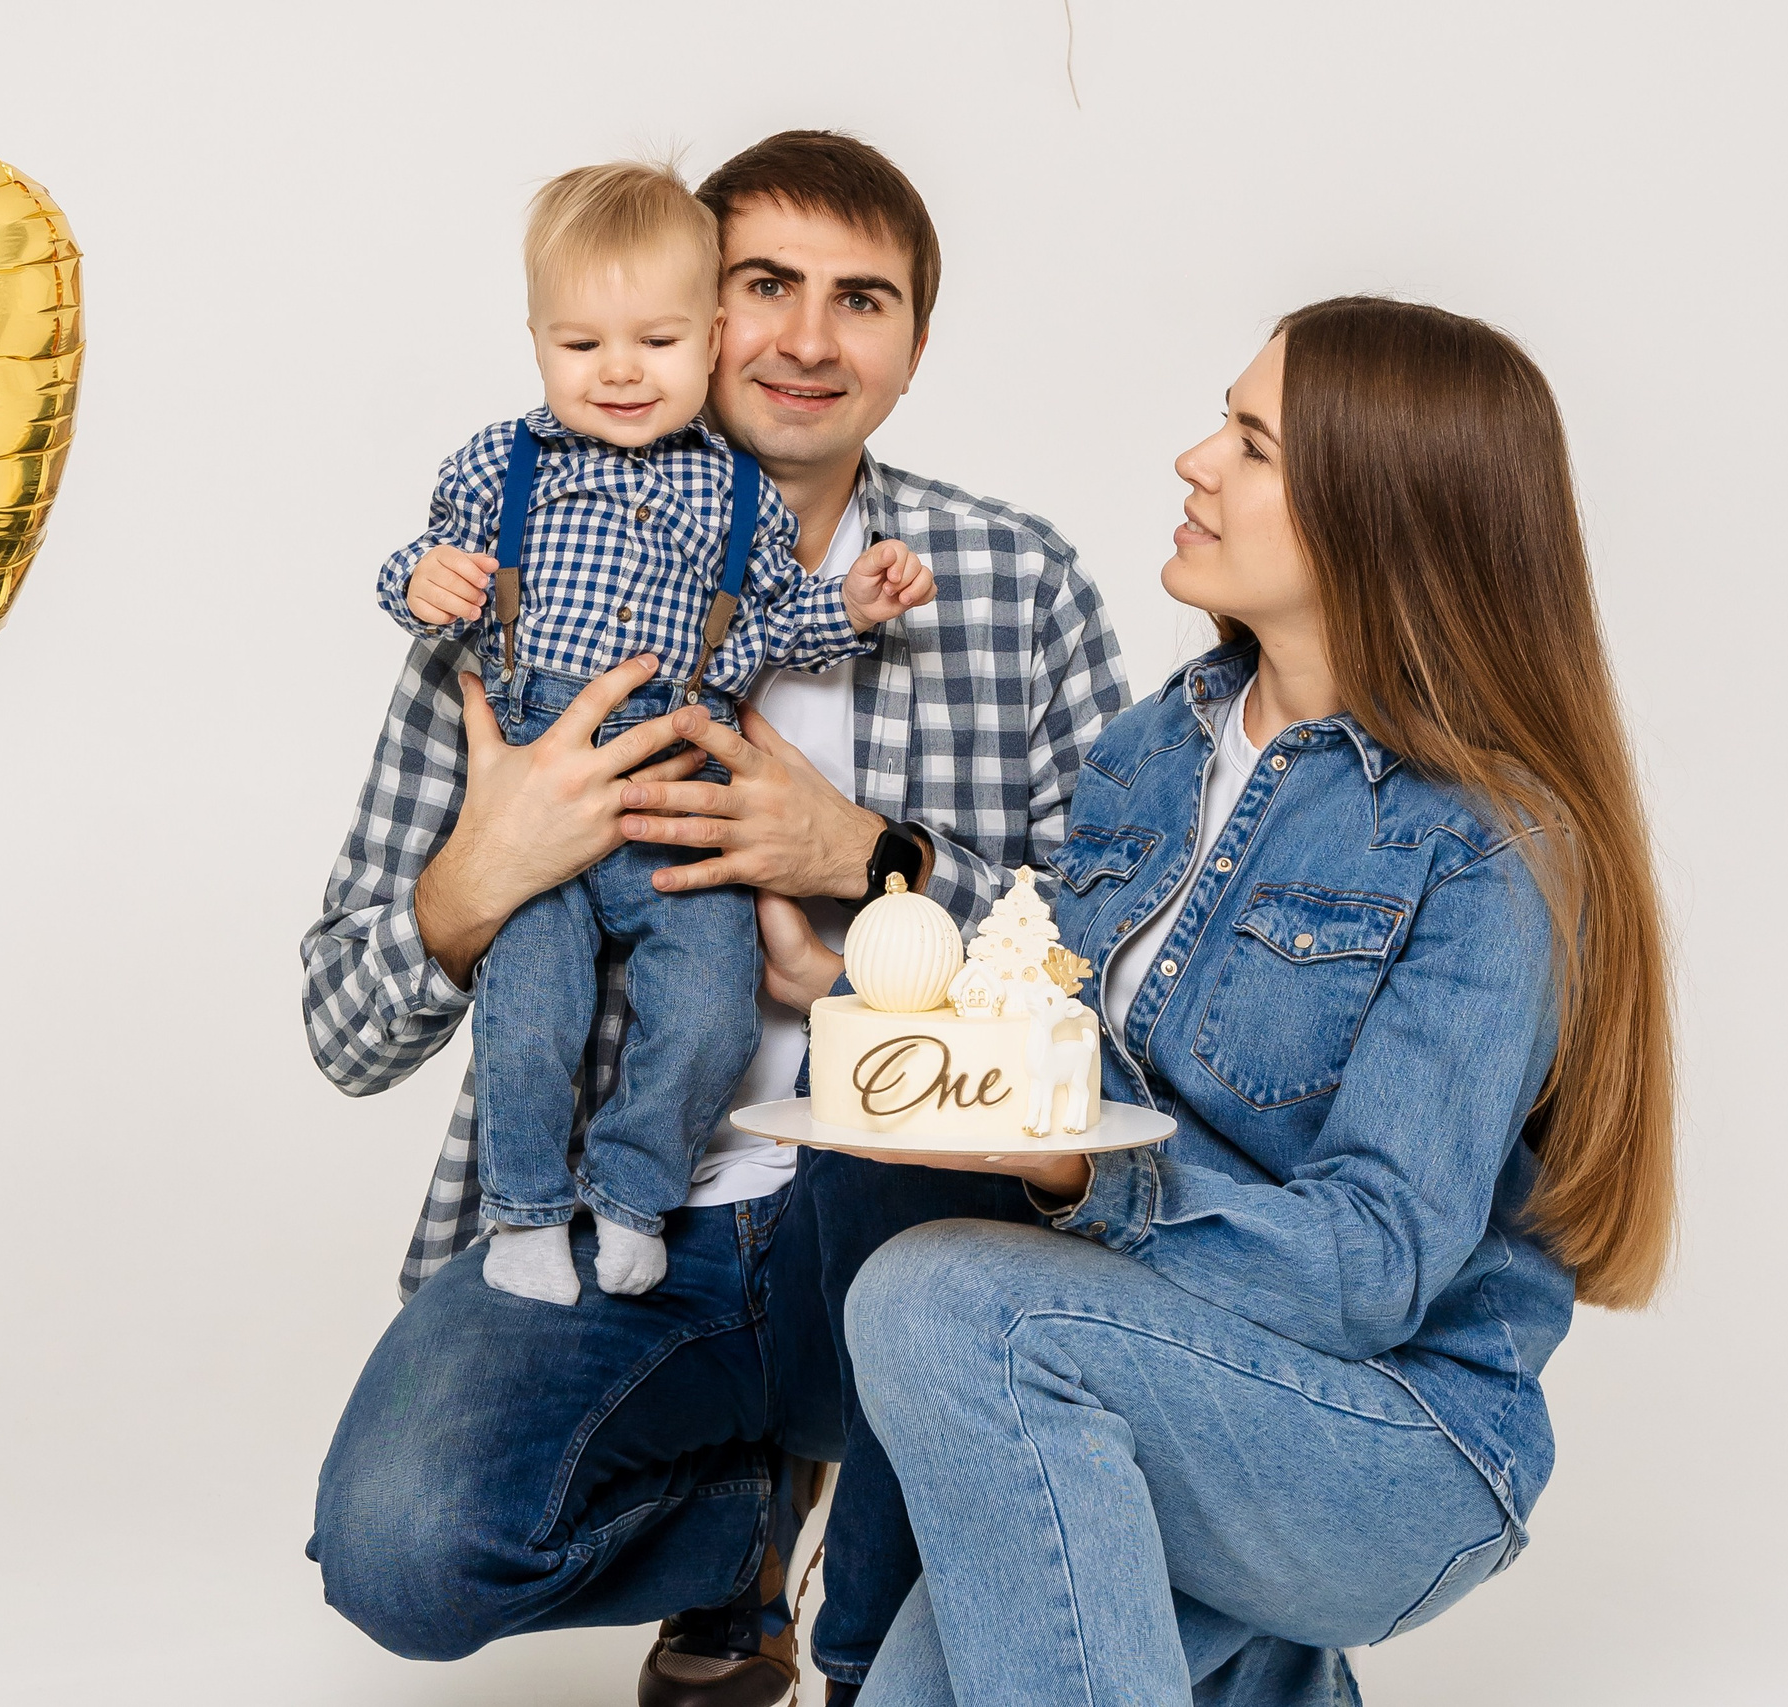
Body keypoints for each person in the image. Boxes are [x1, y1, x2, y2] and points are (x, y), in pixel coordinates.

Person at [303, 131, 1127, 1706]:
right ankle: (747, 1537)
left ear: (914, 346)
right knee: (399, 1548)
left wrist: (875, 859)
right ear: (684, 296)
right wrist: (491, 865)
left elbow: (1129, 971)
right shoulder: (515, 586)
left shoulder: (1013, 583)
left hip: (894, 1215)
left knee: (920, 1213)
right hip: (627, 1235)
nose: (810, 339)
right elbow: (342, 1024)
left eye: (862, 300)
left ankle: (889, 1635)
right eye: (764, 286)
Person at [759, 298, 1675, 1704]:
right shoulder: (1151, 746)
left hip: (1395, 1435)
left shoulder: (1491, 846)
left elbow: (1373, 1265)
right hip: (1143, 1371)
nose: (1195, 460)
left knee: (947, 1300)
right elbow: (1044, 1011)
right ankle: (877, 1662)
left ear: (1382, 514)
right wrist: (881, 997)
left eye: (1251, 443)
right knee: (879, 1177)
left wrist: (1077, 1166)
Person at [376, 158, 933, 1306]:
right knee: (531, 1006)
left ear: (699, 327)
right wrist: (481, 865)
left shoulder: (742, 501)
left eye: (862, 300)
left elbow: (777, 618)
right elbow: (425, 557)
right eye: (581, 346)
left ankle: (632, 1192)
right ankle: (530, 1211)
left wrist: (856, 608)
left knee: (710, 996)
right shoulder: (503, 470)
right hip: (540, 749)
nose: (619, 373)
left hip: (675, 786)